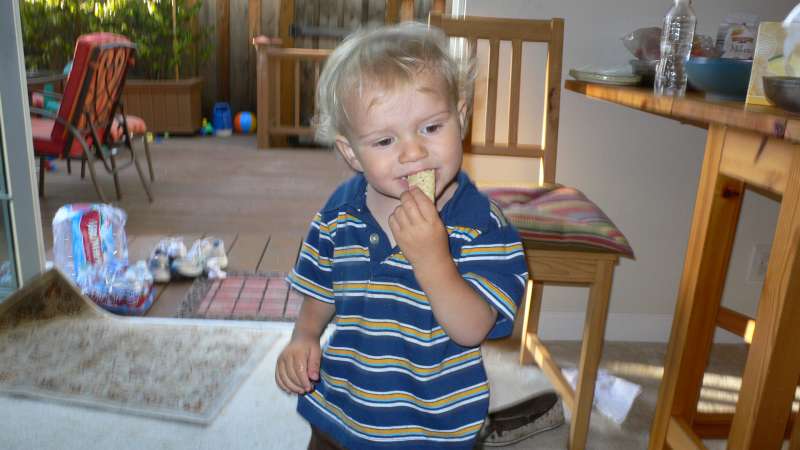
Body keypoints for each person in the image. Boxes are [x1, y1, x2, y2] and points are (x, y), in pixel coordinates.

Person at [275, 21, 528, 450]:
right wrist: (304, 336)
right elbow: (320, 290)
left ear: (460, 117)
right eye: (385, 140)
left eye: (431, 128)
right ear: (352, 153)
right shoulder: (339, 214)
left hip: (432, 431)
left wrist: (433, 260)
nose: (413, 152)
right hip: (339, 416)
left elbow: (472, 329)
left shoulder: (482, 226)